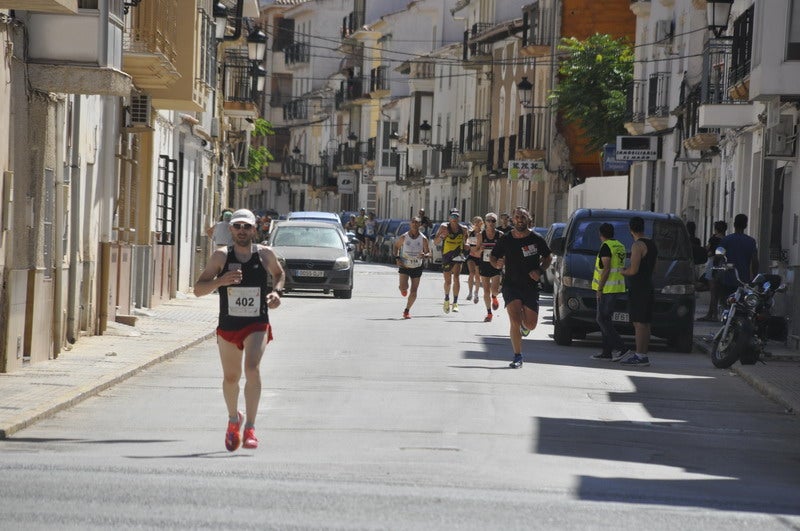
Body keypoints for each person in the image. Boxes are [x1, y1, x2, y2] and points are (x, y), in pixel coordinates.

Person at [194, 208, 285, 451]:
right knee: (231, 378)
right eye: (237, 227)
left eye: (247, 226)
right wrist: (220, 281)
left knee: (252, 369)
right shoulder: (221, 257)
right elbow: (198, 289)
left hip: (257, 322)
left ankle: (251, 428)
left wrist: (276, 292)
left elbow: (279, 274)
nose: (242, 231)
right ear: (230, 229)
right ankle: (234, 419)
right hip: (228, 325)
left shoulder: (265, 254)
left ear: (254, 229)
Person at [489, 207, 551, 369]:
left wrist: (540, 270)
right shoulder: (506, 239)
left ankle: (525, 327)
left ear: (528, 219)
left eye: (523, 217)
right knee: (514, 320)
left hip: (530, 286)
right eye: (517, 217)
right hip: (511, 285)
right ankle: (518, 356)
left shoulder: (536, 238)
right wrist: (496, 263)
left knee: (531, 325)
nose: (520, 220)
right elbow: (493, 255)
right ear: (513, 220)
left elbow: (548, 257)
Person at [619, 216, 657, 367]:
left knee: (638, 323)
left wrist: (623, 271)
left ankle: (639, 355)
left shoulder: (637, 245)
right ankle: (643, 354)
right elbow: (654, 268)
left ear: (630, 229)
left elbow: (633, 269)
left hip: (639, 287)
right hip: (648, 284)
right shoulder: (652, 244)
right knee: (646, 322)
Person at [590, 223, 630, 361]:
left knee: (601, 319)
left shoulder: (606, 247)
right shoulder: (620, 245)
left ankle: (622, 348)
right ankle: (606, 352)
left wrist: (599, 288)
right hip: (617, 287)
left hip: (607, 288)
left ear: (600, 234)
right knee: (605, 319)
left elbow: (606, 269)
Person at [394, 216, 431, 319]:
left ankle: (407, 310)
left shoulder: (423, 238)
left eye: (417, 222)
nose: (415, 224)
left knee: (414, 291)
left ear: (420, 225)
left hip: (417, 266)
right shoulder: (404, 237)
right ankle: (403, 289)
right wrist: (397, 258)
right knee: (403, 287)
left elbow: (428, 252)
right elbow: (396, 246)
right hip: (405, 265)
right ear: (410, 224)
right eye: (413, 222)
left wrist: (425, 255)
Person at [434, 209, 469, 313]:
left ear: (459, 219)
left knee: (457, 277)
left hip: (458, 254)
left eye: (456, 217)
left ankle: (455, 302)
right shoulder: (444, 227)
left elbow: (466, 240)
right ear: (449, 219)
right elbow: (436, 242)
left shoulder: (463, 229)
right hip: (447, 255)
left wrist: (467, 244)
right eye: (452, 217)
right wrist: (441, 236)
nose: (454, 219)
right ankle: (446, 299)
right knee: (448, 281)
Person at [719, 213, 759, 296]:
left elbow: (718, 256)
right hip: (744, 280)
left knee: (726, 304)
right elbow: (755, 261)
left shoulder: (726, 240)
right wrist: (754, 279)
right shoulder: (751, 241)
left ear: (734, 225)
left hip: (728, 279)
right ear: (745, 225)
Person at [476, 212, 504, 322]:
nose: (491, 223)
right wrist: (481, 249)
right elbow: (476, 253)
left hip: (496, 264)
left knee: (495, 290)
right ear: (485, 222)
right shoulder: (480, 235)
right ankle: (489, 313)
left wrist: (502, 260)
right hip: (484, 264)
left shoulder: (500, 235)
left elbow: (504, 251)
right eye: (488, 220)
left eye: (493, 221)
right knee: (486, 291)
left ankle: (494, 297)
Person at [699, 220, 728, 321]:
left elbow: (707, 251)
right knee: (718, 291)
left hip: (713, 264)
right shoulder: (726, 239)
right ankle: (711, 314)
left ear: (716, 229)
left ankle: (713, 315)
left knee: (713, 292)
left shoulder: (713, 239)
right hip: (724, 265)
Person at [465, 216, 483, 304]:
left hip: (480, 257)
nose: (477, 224)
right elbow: (469, 245)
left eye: (479, 222)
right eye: (476, 222)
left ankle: (476, 293)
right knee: (472, 273)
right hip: (472, 256)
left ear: (482, 224)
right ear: (473, 223)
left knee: (478, 276)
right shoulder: (471, 233)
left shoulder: (483, 234)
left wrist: (480, 250)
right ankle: (470, 292)